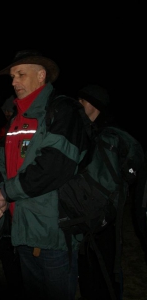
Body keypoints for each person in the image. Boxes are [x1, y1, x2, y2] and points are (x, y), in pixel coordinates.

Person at [0, 50, 90, 300]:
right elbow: (1, 163)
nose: (14, 82)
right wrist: (2, 193)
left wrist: (7, 192)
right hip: (21, 231)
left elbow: (54, 167)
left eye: (21, 74)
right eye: (12, 76)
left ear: (41, 75)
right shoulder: (17, 118)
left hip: (52, 233)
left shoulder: (63, 110)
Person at [75, 84, 144, 300]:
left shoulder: (108, 138)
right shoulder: (90, 133)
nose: (78, 105)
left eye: (82, 101)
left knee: (104, 274)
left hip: (104, 221)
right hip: (89, 220)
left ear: (94, 105)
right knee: (89, 274)